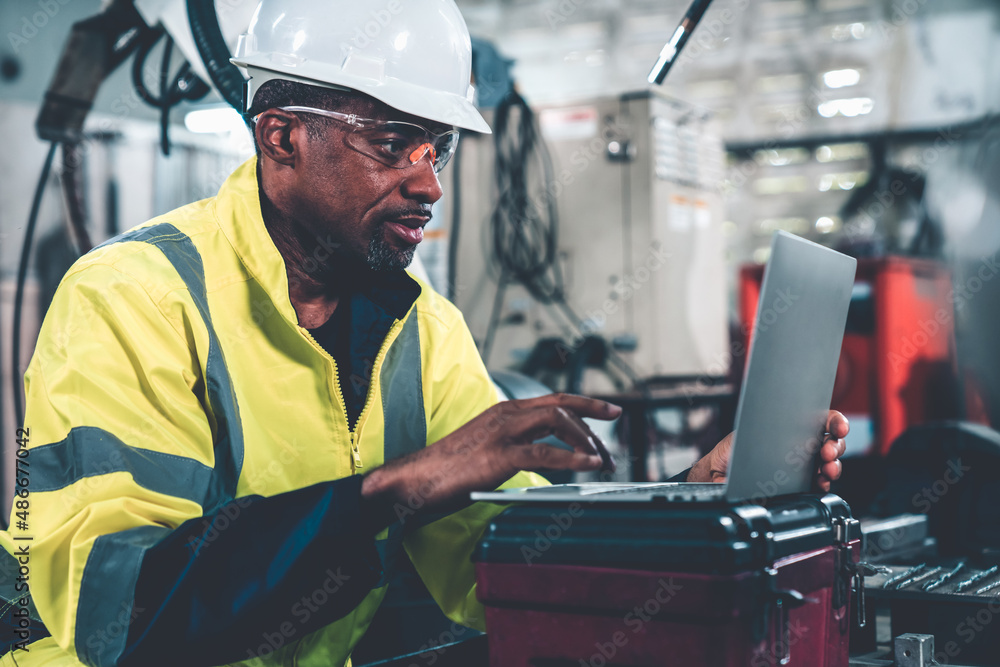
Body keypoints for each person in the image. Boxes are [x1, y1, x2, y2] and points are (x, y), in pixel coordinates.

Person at [0, 1, 848, 665]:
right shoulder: (133, 296)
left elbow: (509, 562)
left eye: (436, 150)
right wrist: (397, 486)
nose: (429, 185)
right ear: (282, 136)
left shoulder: (421, 328)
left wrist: (687, 502)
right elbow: (127, 616)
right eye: (393, 143)